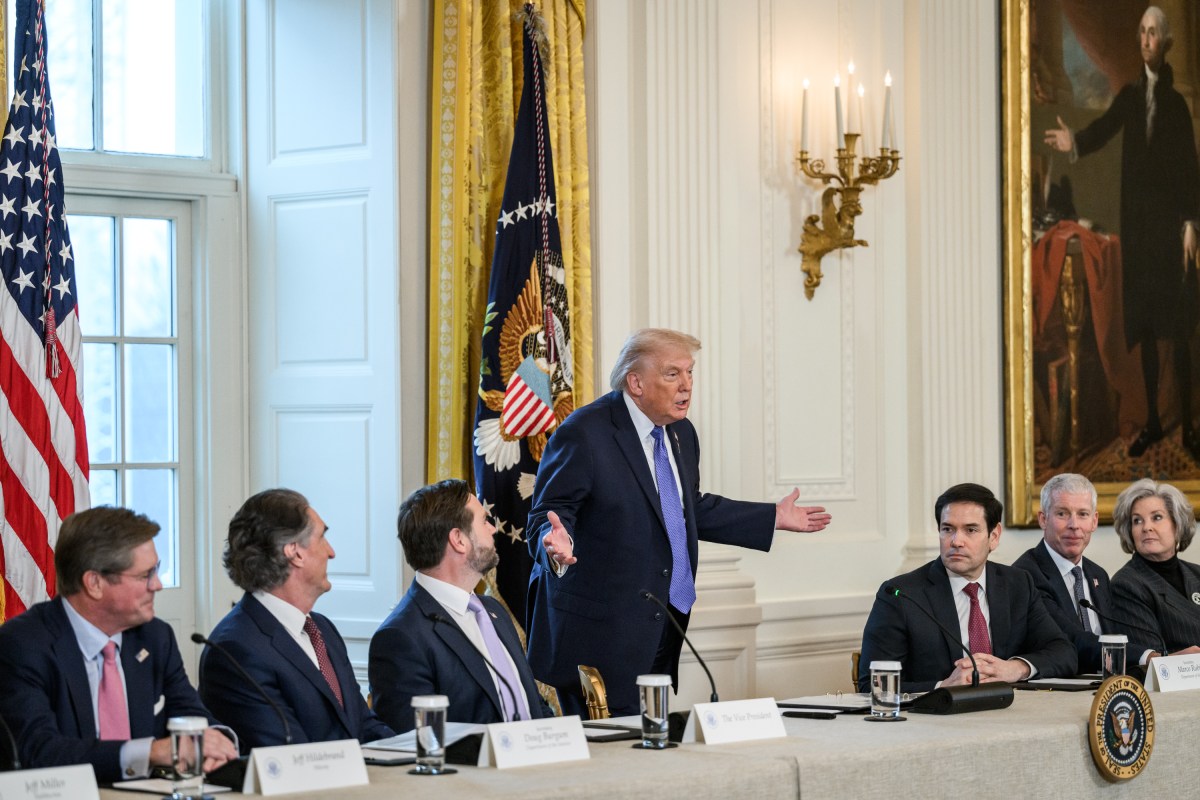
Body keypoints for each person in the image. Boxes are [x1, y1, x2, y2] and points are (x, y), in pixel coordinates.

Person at [525, 328, 832, 715]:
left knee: (647, 751)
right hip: (598, 636)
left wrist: (771, 517)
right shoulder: (584, 434)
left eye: (690, 373)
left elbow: (687, 509)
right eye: (673, 375)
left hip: (662, 621)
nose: (686, 385)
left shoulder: (681, 433)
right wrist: (554, 544)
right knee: (605, 760)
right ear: (635, 382)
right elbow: (547, 514)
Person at [1043, 6, 1200, 461]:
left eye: (1154, 33)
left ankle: (1191, 427)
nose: (1147, 40)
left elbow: (1189, 169)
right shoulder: (1131, 96)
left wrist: (1191, 225)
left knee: (1181, 329)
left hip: (1172, 231)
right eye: (1143, 33)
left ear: (1166, 42)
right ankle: (1152, 420)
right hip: (1140, 230)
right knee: (1148, 329)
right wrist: (1075, 142)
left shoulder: (1176, 104)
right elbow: (1105, 128)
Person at [0, 507, 237, 781]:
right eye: (144, 575)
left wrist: (215, 741)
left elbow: (191, 714)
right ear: (94, 583)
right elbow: (39, 751)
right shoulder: (23, 646)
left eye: (156, 570)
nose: (157, 585)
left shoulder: (155, 638)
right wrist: (149, 752)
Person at [198, 489, 394, 749]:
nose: (331, 552)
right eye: (322, 537)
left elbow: (363, 725)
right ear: (294, 553)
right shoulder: (236, 650)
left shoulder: (322, 628)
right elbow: (289, 754)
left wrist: (415, 753)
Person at [858, 483, 1076, 692]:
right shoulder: (901, 595)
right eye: (948, 529)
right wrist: (943, 687)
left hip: (1007, 714)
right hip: (934, 723)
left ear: (994, 536)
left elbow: (1063, 652)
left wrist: (1016, 668)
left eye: (970, 530)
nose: (956, 541)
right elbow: (873, 684)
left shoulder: (1018, 584)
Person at [369, 480, 549, 732]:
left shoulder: (494, 612)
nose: (493, 529)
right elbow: (416, 744)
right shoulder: (401, 637)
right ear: (459, 540)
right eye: (484, 521)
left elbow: (533, 707)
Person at [1013, 473, 1153, 672]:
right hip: (1057, 689)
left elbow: (1112, 636)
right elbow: (1072, 641)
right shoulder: (1025, 575)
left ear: (1094, 521)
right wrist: (1147, 656)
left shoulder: (1098, 575)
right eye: (1062, 514)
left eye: (1083, 514)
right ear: (1043, 519)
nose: (1074, 525)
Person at [1109, 478, 1200, 658]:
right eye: (1137, 521)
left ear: (1177, 523)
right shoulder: (1126, 585)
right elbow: (1152, 659)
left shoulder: (1197, 573)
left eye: (1156, 517)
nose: (1146, 527)